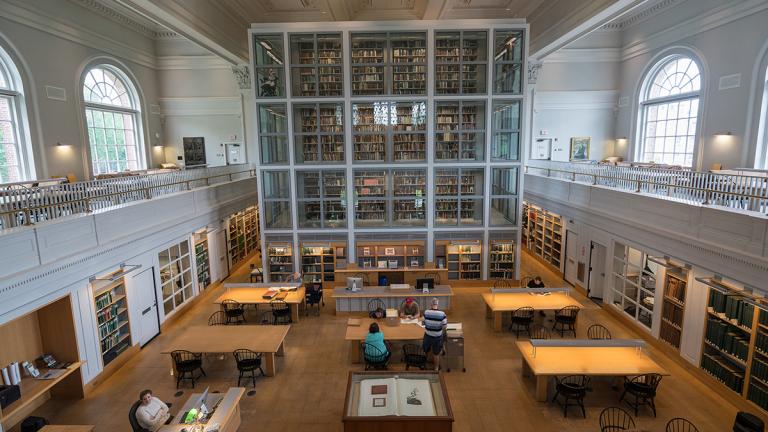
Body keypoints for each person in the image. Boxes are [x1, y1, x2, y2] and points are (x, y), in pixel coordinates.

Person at [422, 298, 447, 371]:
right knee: (436, 353)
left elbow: (423, 323)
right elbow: (444, 326)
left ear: (431, 304)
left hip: (427, 336)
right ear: (437, 304)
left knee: (426, 350)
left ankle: (424, 365)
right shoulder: (442, 314)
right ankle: (436, 368)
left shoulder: (426, 312)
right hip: (437, 337)